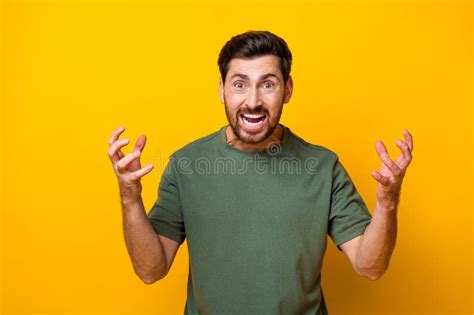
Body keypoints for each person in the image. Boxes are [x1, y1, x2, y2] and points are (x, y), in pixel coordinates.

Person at [107, 30, 414, 314]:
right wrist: (130, 197)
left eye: (268, 84)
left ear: (288, 89)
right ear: (222, 89)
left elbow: (369, 266)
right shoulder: (186, 165)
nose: (253, 101)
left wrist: (388, 200)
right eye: (239, 84)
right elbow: (150, 270)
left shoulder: (323, 167)